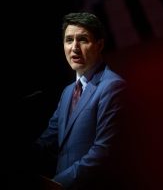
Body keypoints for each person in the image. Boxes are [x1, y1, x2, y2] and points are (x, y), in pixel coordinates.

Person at [32, 12, 128, 190]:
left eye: (82, 39)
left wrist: (57, 184)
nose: (74, 47)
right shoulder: (68, 92)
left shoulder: (113, 87)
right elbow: (48, 139)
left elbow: (103, 152)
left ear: (99, 45)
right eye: (69, 40)